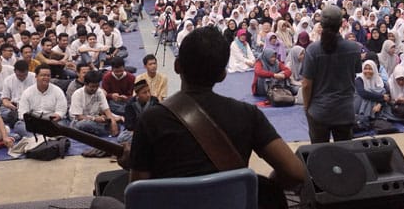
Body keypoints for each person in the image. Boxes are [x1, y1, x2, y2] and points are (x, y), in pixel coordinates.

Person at [93, 26, 305, 209]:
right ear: (223, 74)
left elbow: (139, 194)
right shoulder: (248, 115)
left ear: (177, 67)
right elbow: (295, 172)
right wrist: (261, 188)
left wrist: (136, 160)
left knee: (100, 203)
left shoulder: (151, 120)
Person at [301, 4, 362, 143]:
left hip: (319, 112)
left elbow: (306, 85)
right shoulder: (354, 48)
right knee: (345, 154)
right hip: (345, 111)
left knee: (320, 155)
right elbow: (355, 73)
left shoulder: (312, 50)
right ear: (341, 24)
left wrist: (307, 107)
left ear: (321, 24)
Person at [14, 65, 67, 138]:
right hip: (33, 124)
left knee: (63, 125)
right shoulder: (27, 92)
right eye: (43, 75)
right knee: (19, 125)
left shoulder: (58, 91)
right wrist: (34, 122)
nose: (46, 78)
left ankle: (36, 139)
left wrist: (56, 117)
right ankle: (41, 139)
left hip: (51, 123)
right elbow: (22, 113)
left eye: (48, 76)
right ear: (36, 76)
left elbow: (61, 111)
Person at [69, 70, 119, 138]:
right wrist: (95, 119)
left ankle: (101, 130)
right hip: (79, 121)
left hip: (96, 119)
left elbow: (107, 110)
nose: (94, 89)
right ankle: (104, 131)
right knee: (83, 124)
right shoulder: (77, 94)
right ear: (85, 84)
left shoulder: (99, 92)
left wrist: (113, 122)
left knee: (112, 122)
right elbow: (79, 117)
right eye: (92, 87)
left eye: (97, 86)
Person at [117, 79, 157, 144]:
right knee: (121, 138)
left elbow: (157, 120)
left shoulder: (154, 101)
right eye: (144, 92)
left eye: (149, 91)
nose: (148, 95)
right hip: (136, 130)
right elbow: (129, 125)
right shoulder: (130, 104)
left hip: (151, 129)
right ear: (137, 94)